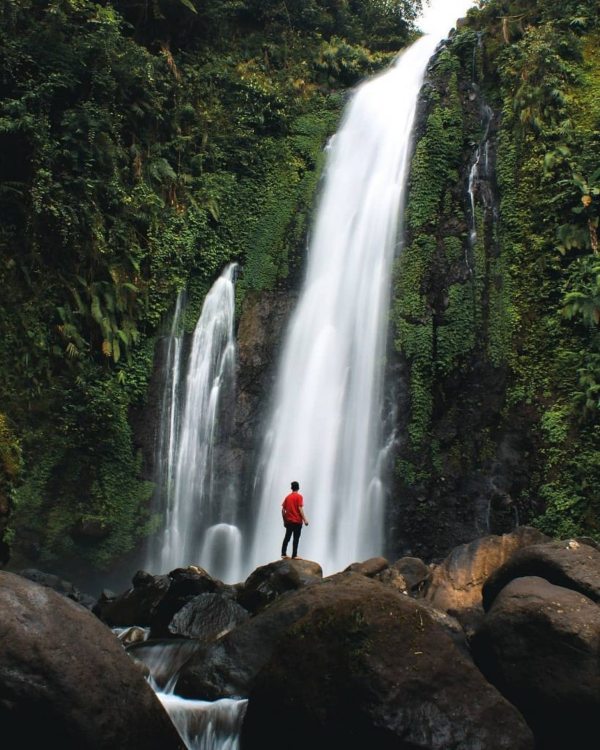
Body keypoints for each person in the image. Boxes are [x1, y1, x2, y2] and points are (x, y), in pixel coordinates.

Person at [281, 481, 308, 559]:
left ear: (291, 488)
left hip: (289, 521)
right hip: (297, 521)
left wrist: (284, 521)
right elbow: (300, 508)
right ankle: (294, 555)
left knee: (287, 537)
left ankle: (283, 553)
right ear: (298, 488)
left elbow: (283, 510)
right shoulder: (299, 497)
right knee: (296, 538)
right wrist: (305, 519)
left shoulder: (288, 497)